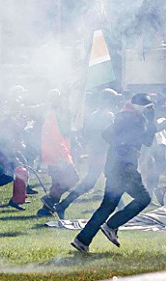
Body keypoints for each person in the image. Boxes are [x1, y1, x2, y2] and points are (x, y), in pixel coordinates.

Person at [71, 93, 157, 253]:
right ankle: (111, 225)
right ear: (142, 107)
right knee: (144, 198)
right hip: (125, 168)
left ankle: (82, 240)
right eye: (149, 107)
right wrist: (126, 145)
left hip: (114, 167)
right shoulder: (135, 118)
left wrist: (122, 144)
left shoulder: (125, 115)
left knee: (107, 206)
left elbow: (109, 135)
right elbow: (146, 140)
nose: (151, 110)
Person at [56, 89, 120, 218]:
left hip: (96, 151)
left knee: (112, 183)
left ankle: (122, 209)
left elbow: (87, 134)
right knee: (98, 183)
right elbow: (111, 135)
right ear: (108, 100)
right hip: (103, 153)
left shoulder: (93, 115)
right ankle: (63, 205)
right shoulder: (108, 115)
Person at [36, 90, 78, 217]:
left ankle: (45, 210)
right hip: (59, 153)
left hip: (53, 154)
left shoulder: (51, 114)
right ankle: (50, 200)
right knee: (73, 178)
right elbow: (58, 136)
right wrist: (65, 153)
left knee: (57, 183)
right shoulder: (58, 115)